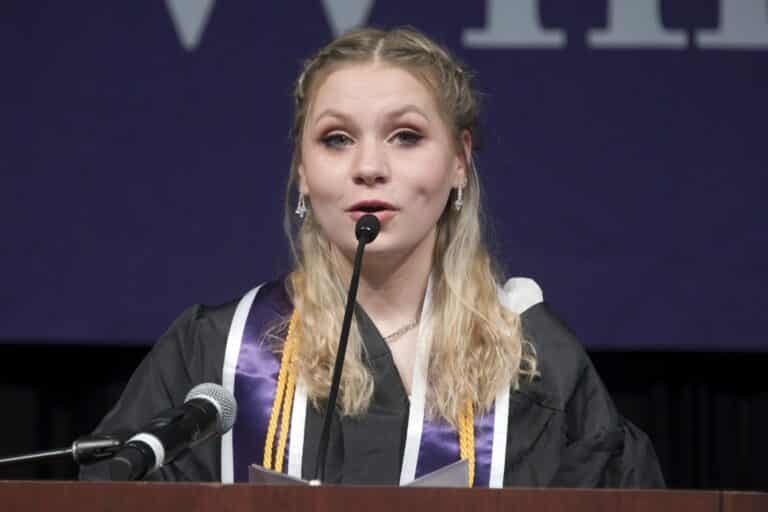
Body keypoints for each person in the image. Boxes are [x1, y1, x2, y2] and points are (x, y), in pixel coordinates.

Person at [80, 27, 664, 487]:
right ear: (303, 172)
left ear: (459, 161)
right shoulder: (220, 350)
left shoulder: (531, 360)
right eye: (337, 139)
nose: (369, 167)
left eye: (405, 136)